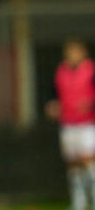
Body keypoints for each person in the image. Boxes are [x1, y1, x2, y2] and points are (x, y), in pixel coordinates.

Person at [45, 39, 95, 210]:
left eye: (75, 51)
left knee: (89, 163)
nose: (71, 55)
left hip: (87, 124)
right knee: (73, 166)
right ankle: (78, 203)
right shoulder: (61, 71)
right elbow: (53, 94)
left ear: (83, 52)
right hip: (67, 124)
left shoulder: (91, 70)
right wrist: (52, 105)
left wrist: (91, 104)